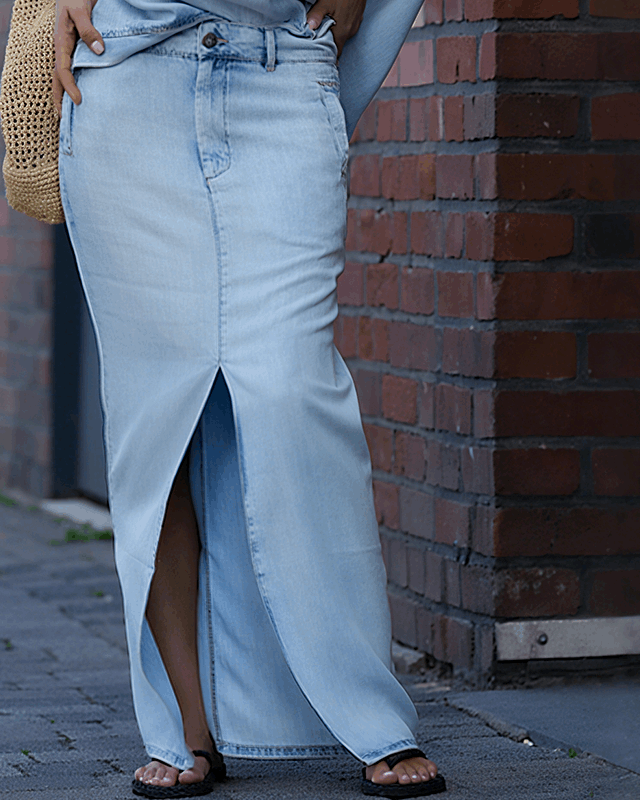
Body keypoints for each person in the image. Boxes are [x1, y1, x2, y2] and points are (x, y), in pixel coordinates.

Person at [53, 0, 446, 796]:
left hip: (283, 73)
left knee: (293, 388)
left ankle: (370, 713)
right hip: (128, 79)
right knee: (155, 416)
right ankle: (187, 728)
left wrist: (332, 85)